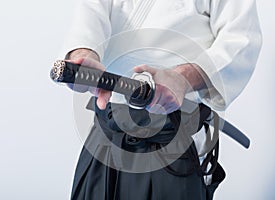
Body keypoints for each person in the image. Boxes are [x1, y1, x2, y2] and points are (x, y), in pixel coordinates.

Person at [61, 0, 262, 199]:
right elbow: (90, 17)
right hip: (106, 132)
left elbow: (241, 39)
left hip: (173, 138)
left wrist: (183, 78)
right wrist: (83, 56)